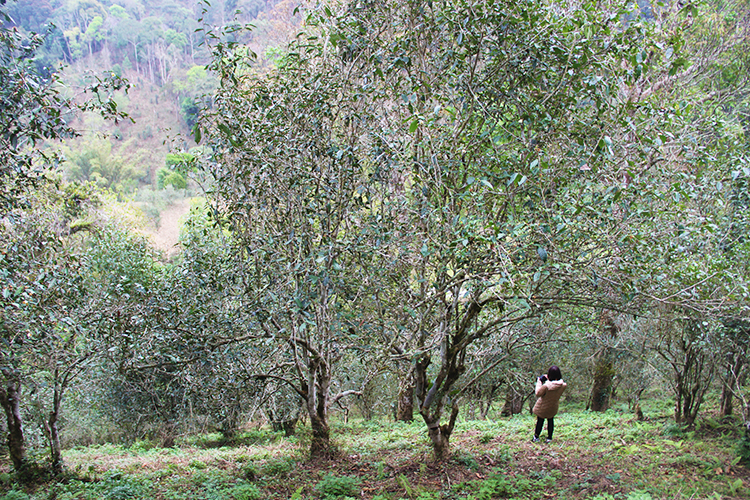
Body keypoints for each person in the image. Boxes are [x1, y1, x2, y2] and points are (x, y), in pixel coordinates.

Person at [532, 365, 567, 442]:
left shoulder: (546, 386)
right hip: (553, 407)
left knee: (540, 421)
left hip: (542, 407)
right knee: (550, 420)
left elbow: (538, 393)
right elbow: (556, 383)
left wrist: (539, 381)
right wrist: (550, 379)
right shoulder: (563, 385)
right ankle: (549, 438)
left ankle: (536, 437)